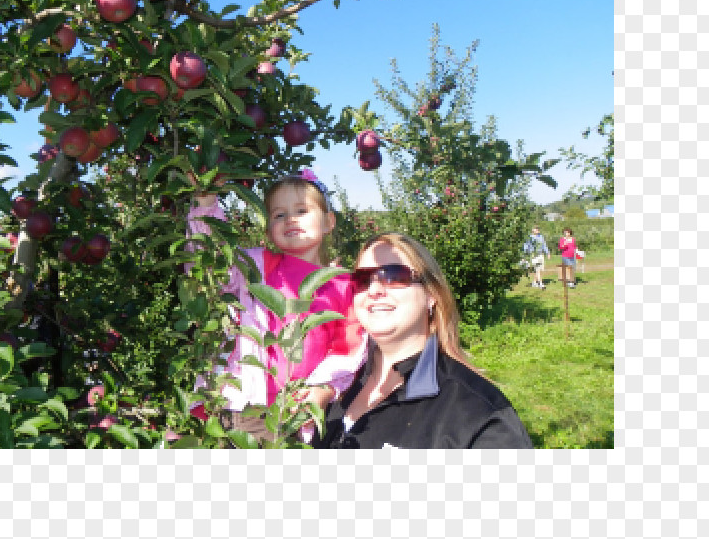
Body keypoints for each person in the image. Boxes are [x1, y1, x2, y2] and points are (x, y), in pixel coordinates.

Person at [187, 169, 366, 441]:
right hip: (244, 407)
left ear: (329, 222)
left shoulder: (344, 284)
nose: (290, 219)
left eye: (302, 210)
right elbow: (210, 260)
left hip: (298, 412)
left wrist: (325, 389)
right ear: (269, 230)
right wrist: (206, 203)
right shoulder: (256, 266)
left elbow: (349, 347)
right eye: (279, 215)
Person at [312, 232, 533, 449]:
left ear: (431, 295)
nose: (374, 290)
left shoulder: (477, 413)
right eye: (362, 279)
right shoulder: (331, 377)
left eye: (394, 276)